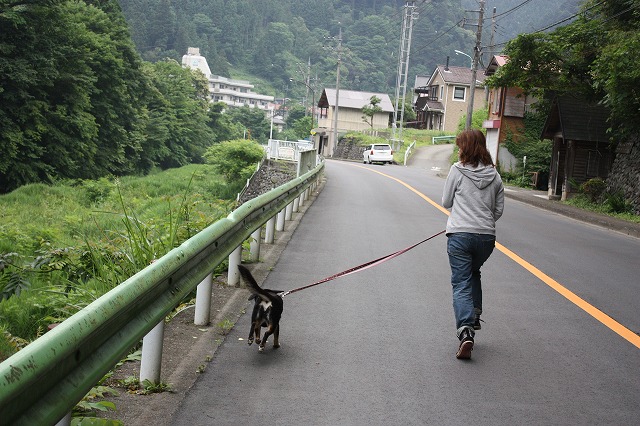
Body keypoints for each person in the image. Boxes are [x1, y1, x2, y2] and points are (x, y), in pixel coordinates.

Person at [442, 129, 504, 360]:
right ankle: (475, 314)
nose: (458, 150)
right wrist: (481, 221)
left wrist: (464, 218)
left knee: (460, 282)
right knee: (473, 272)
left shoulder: (457, 171)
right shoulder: (495, 175)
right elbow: (498, 210)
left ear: (465, 148)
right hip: (486, 238)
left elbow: (446, 201)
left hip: (459, 235)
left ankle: (466, 329)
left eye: (460, 146)